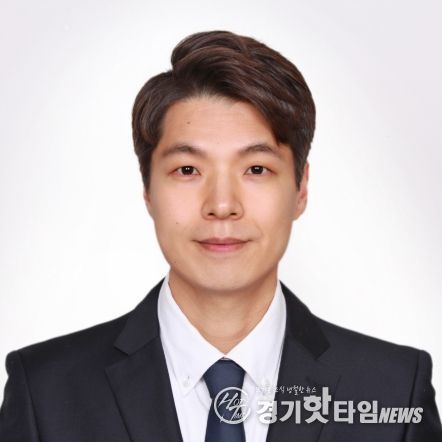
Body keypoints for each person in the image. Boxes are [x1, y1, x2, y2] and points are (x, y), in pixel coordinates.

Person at [0, 30, 441, 442]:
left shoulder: (394, 389)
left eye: (256, 169)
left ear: (301, 189)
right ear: (148, 189)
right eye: (187, 170)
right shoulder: (45, 390)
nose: (222, 204)